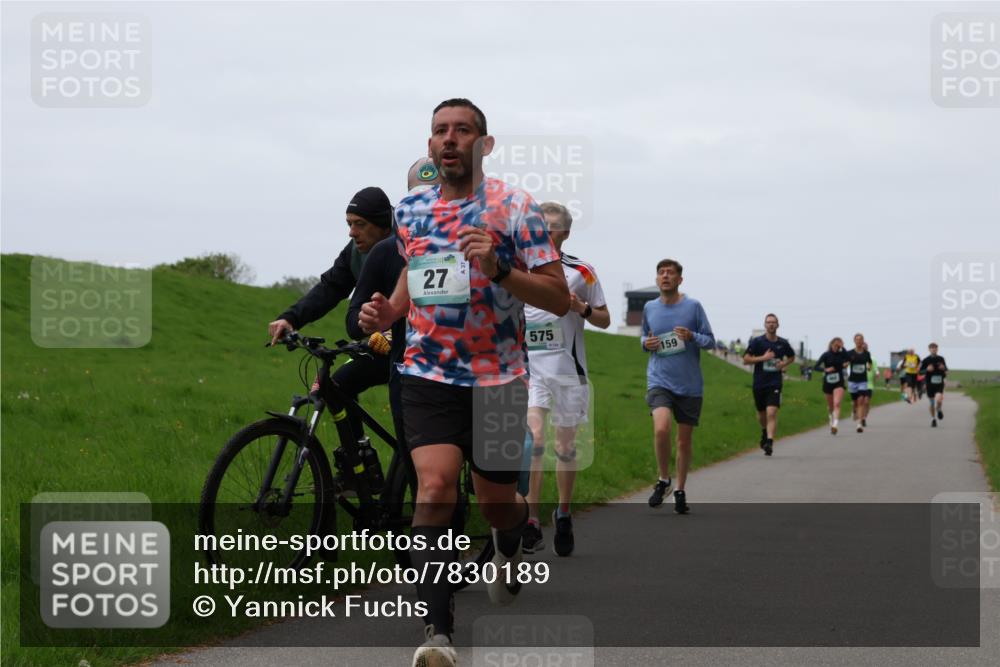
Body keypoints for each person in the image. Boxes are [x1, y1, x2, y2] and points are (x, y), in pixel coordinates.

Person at [358, 98, 569, 666]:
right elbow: (416, 270)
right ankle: (437, 634)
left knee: (497, 504)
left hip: (498, 378)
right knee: (434, 489)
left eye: (463, 130)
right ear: (430, 145)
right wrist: (390, 311)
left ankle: (508, 541)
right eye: (440, 131)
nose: (450, 139)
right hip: (426, 373)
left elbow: (557, 297)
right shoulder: (410, 210)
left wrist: (500, 268)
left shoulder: (515, 207)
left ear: (485, 144)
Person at [268, 186, 395, 444]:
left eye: (360, 224)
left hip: (415, 348)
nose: (352, 232)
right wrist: (291, 318)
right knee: (337, 385)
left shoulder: (408, 245)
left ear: (383, 226)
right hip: (379, 343)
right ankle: (357, 457)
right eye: (349, 224)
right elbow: (331, 287)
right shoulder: (355, 251)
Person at [520, 202, 610, 557]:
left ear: (565, 234)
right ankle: (530, 519)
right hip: (533, 373)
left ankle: (564, 512)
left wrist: (580, 308)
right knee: (535, 441)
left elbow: (604, 319)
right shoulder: (520, 269)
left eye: (550, 227)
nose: (543, 232)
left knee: (565, 448)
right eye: (538, 226)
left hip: (569, 373)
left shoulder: (581, 272)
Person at [346, 158, 442, 448]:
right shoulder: (385, 252)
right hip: (408, 372)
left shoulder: (476, 242)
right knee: (420, 469)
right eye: (418, 202)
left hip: (471, 374)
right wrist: (370, 319)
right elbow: (353, 319)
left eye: (435, 200)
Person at [642, 259, 716, 514]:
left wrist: (692, 336)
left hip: (689, 384)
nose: (665, 276)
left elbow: (710, 341)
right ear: (656, 279)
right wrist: (646, 343)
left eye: (670, 273)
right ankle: (664, 480)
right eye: (661, 272)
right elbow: (644, 336)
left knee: (684, 442)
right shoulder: (649, 307)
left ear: (679, 280)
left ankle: (680, 490)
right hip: (659, 380)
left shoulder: (693, 307)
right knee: (661, 428)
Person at [743, 314, 795, 456]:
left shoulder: (783, 343)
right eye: (768, 322)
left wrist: (783, 364)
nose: (771, 324)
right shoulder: (757, 342)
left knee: (771, 412)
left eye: (773, 322)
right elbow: (745, 360)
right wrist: (763, 358)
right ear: (765, 325)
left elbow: (792, 357)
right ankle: (765, 432)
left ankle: (769, 442)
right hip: (759, 383)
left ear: (778, 325)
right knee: (762, 414)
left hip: (775, 383)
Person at [814, 338, 849, 435]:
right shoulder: (826, 355)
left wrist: (843, 348)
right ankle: (831, 418)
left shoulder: (842, 354)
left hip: (839, 381)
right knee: (831, 406)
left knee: (837, 403)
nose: (837, 346)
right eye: (836, 344)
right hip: (828, 382)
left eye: (839, 345)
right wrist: (826, 370)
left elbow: (849, 358)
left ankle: (835, 425)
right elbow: (816, 367)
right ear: (832, 344)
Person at [845, 333, 873, 433]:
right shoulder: (849, 353)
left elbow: (870, 363)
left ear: (863, 341)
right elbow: (845, 363)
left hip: (863, 381)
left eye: (861, 339)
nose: (859, 341)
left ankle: (859, 424)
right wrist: (846, 364)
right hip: (852, 381)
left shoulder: (866, 353)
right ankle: (854, 411)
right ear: (854, 341)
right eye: (857, 339)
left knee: (860, 401)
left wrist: (869, 366)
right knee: (854, 402)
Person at [920, 342, 949, 427]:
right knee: (932, 403)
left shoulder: (941, 358)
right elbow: (920, 372)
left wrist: (943, 368)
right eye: (932, 348)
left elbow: (946, 370)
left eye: (935, 348)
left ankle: (939, 410)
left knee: (939, 400)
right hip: (929, 384)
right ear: (929, 349)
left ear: (937, 349)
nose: (934, 349)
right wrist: (927, 370)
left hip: (939, 383)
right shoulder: (926, 360)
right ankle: (933, 419)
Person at [862, 342, 878, 426]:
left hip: (869, 384)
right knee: (859, 401)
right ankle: (858, 413)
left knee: (866, 402)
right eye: (863, 347)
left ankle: (864, 418)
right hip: (859, 382)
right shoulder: (857, 358)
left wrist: (877, 374)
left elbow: (876, 370)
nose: (864, 349)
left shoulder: (872, 359)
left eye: (865, 347)